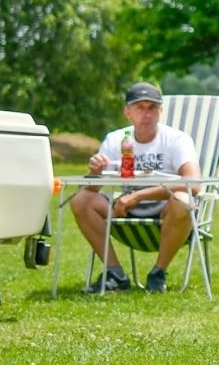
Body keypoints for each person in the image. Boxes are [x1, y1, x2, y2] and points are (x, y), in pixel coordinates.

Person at [69, 82, 200, 293]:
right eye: (140, 107)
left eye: (152, 107)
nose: (147, 114)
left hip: (166, 212)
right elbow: (91, 190)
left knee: (183, 201)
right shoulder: (116, 139)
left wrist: (138, 196)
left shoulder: (177, 140)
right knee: (80, 200)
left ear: (161, 111)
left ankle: (158, 273)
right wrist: (95, 172)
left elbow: (193, 183)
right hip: (126, 210)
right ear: (127, 112)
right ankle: (115, 274)